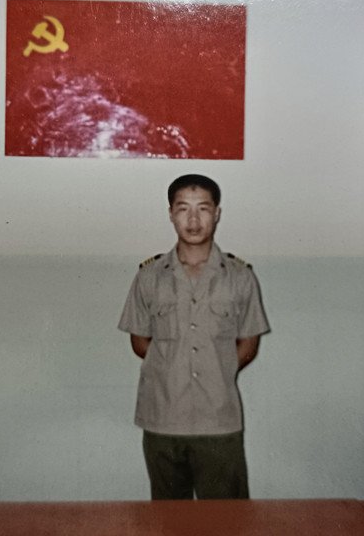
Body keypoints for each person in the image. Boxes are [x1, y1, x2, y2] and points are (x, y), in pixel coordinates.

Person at [118, 174, 271, 500]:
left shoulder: (240, 277)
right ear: (170, 214)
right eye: (183, 209)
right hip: (162, 418)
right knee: (168, 517)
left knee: (226, 518)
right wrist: (173, 369)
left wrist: (218, 370)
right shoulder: (149, 276)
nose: (193, 220)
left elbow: (249, 343)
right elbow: (140, 342)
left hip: (219, 420)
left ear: (217, 213)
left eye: (202, 208)